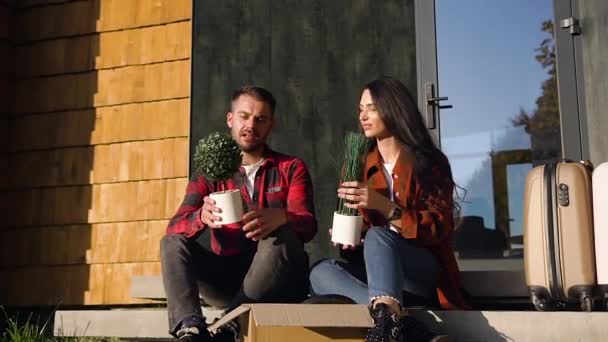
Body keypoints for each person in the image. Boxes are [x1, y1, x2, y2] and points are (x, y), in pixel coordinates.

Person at [309, 77, 469, 342]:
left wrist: (383, 206)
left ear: (393, 108)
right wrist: (351, 240)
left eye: (371, 108)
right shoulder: (359, 164)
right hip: (380, 278)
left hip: (421, 271)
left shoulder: (429, 162)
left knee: (379, 236)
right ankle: (404, 327)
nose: (363, 115)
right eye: (361, 109)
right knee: (320, 272)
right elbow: (362, 242)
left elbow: (437, 229)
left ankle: (389, 326)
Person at [161, 86, 317, 342]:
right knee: (171, 243)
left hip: (279, 279)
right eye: (244, 116)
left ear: (271, 125)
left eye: (260, 119)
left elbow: (309, 225)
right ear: (230, 119)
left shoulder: (291, 167)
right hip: (227, 278)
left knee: (281, 238)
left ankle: (229, 326)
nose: (251, 125)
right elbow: (175, 227)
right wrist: (201, 216)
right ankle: (190, 330)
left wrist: (284, 217)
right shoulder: (208, 173)